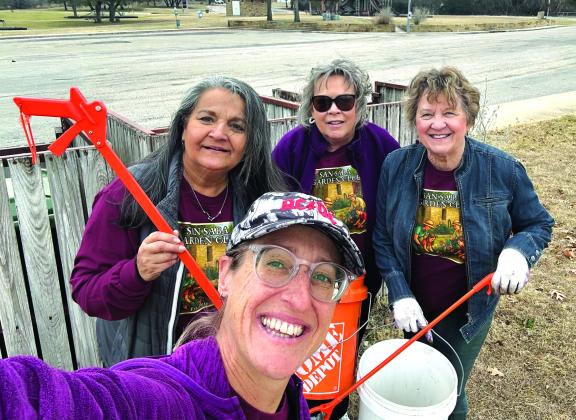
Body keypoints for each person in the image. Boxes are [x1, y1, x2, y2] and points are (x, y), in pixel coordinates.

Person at [0, 191, 365, 420]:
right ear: (226, 276)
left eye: (323, 276)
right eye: (275, 262)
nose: (300, 297)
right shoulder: (166, 400)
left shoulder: (289, 398)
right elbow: (34, 397)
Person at [373, 66, 554, 419]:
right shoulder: (395, 166)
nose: (437, 123)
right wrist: (398, 291)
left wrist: (518, 253)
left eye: (449, 113)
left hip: (468, 309)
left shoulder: (501, 169)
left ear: (467, 119)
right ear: (416, 121)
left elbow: (538, 223)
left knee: (447, 389)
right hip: (414, 303)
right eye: (427, 114)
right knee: (415, 379)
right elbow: (381, 237)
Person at [70, 76, 286, 367]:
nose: (219, 133)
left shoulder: (262, 202)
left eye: (237, 126)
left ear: (249, 143)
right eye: (207, 118)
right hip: (156, 372)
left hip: (232, 365)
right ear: (184, 127)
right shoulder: (129, 194)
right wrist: (137, 271)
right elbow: (87, 291)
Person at [272, 59, 399, 417]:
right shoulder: (291, 148)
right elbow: (275, 212)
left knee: (342, 349)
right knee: (298, 346)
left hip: (360, 282)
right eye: (322, 102)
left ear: (360, 104)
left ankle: (336, 407)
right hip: (304, 279)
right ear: (310, 108)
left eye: (344, 101)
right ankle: (293, 406)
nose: (334, 111)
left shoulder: (382, 146)